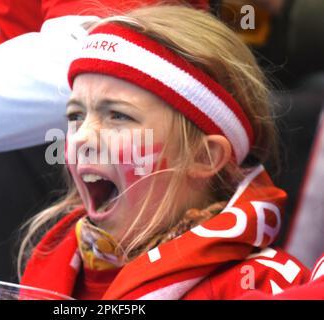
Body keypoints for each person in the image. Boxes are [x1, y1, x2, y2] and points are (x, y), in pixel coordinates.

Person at [19, 5, 309, 300]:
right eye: (75, 116)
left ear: (204, 156)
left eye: (118, 116)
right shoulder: (49, 264)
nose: (82, 137)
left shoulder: (262, 285)